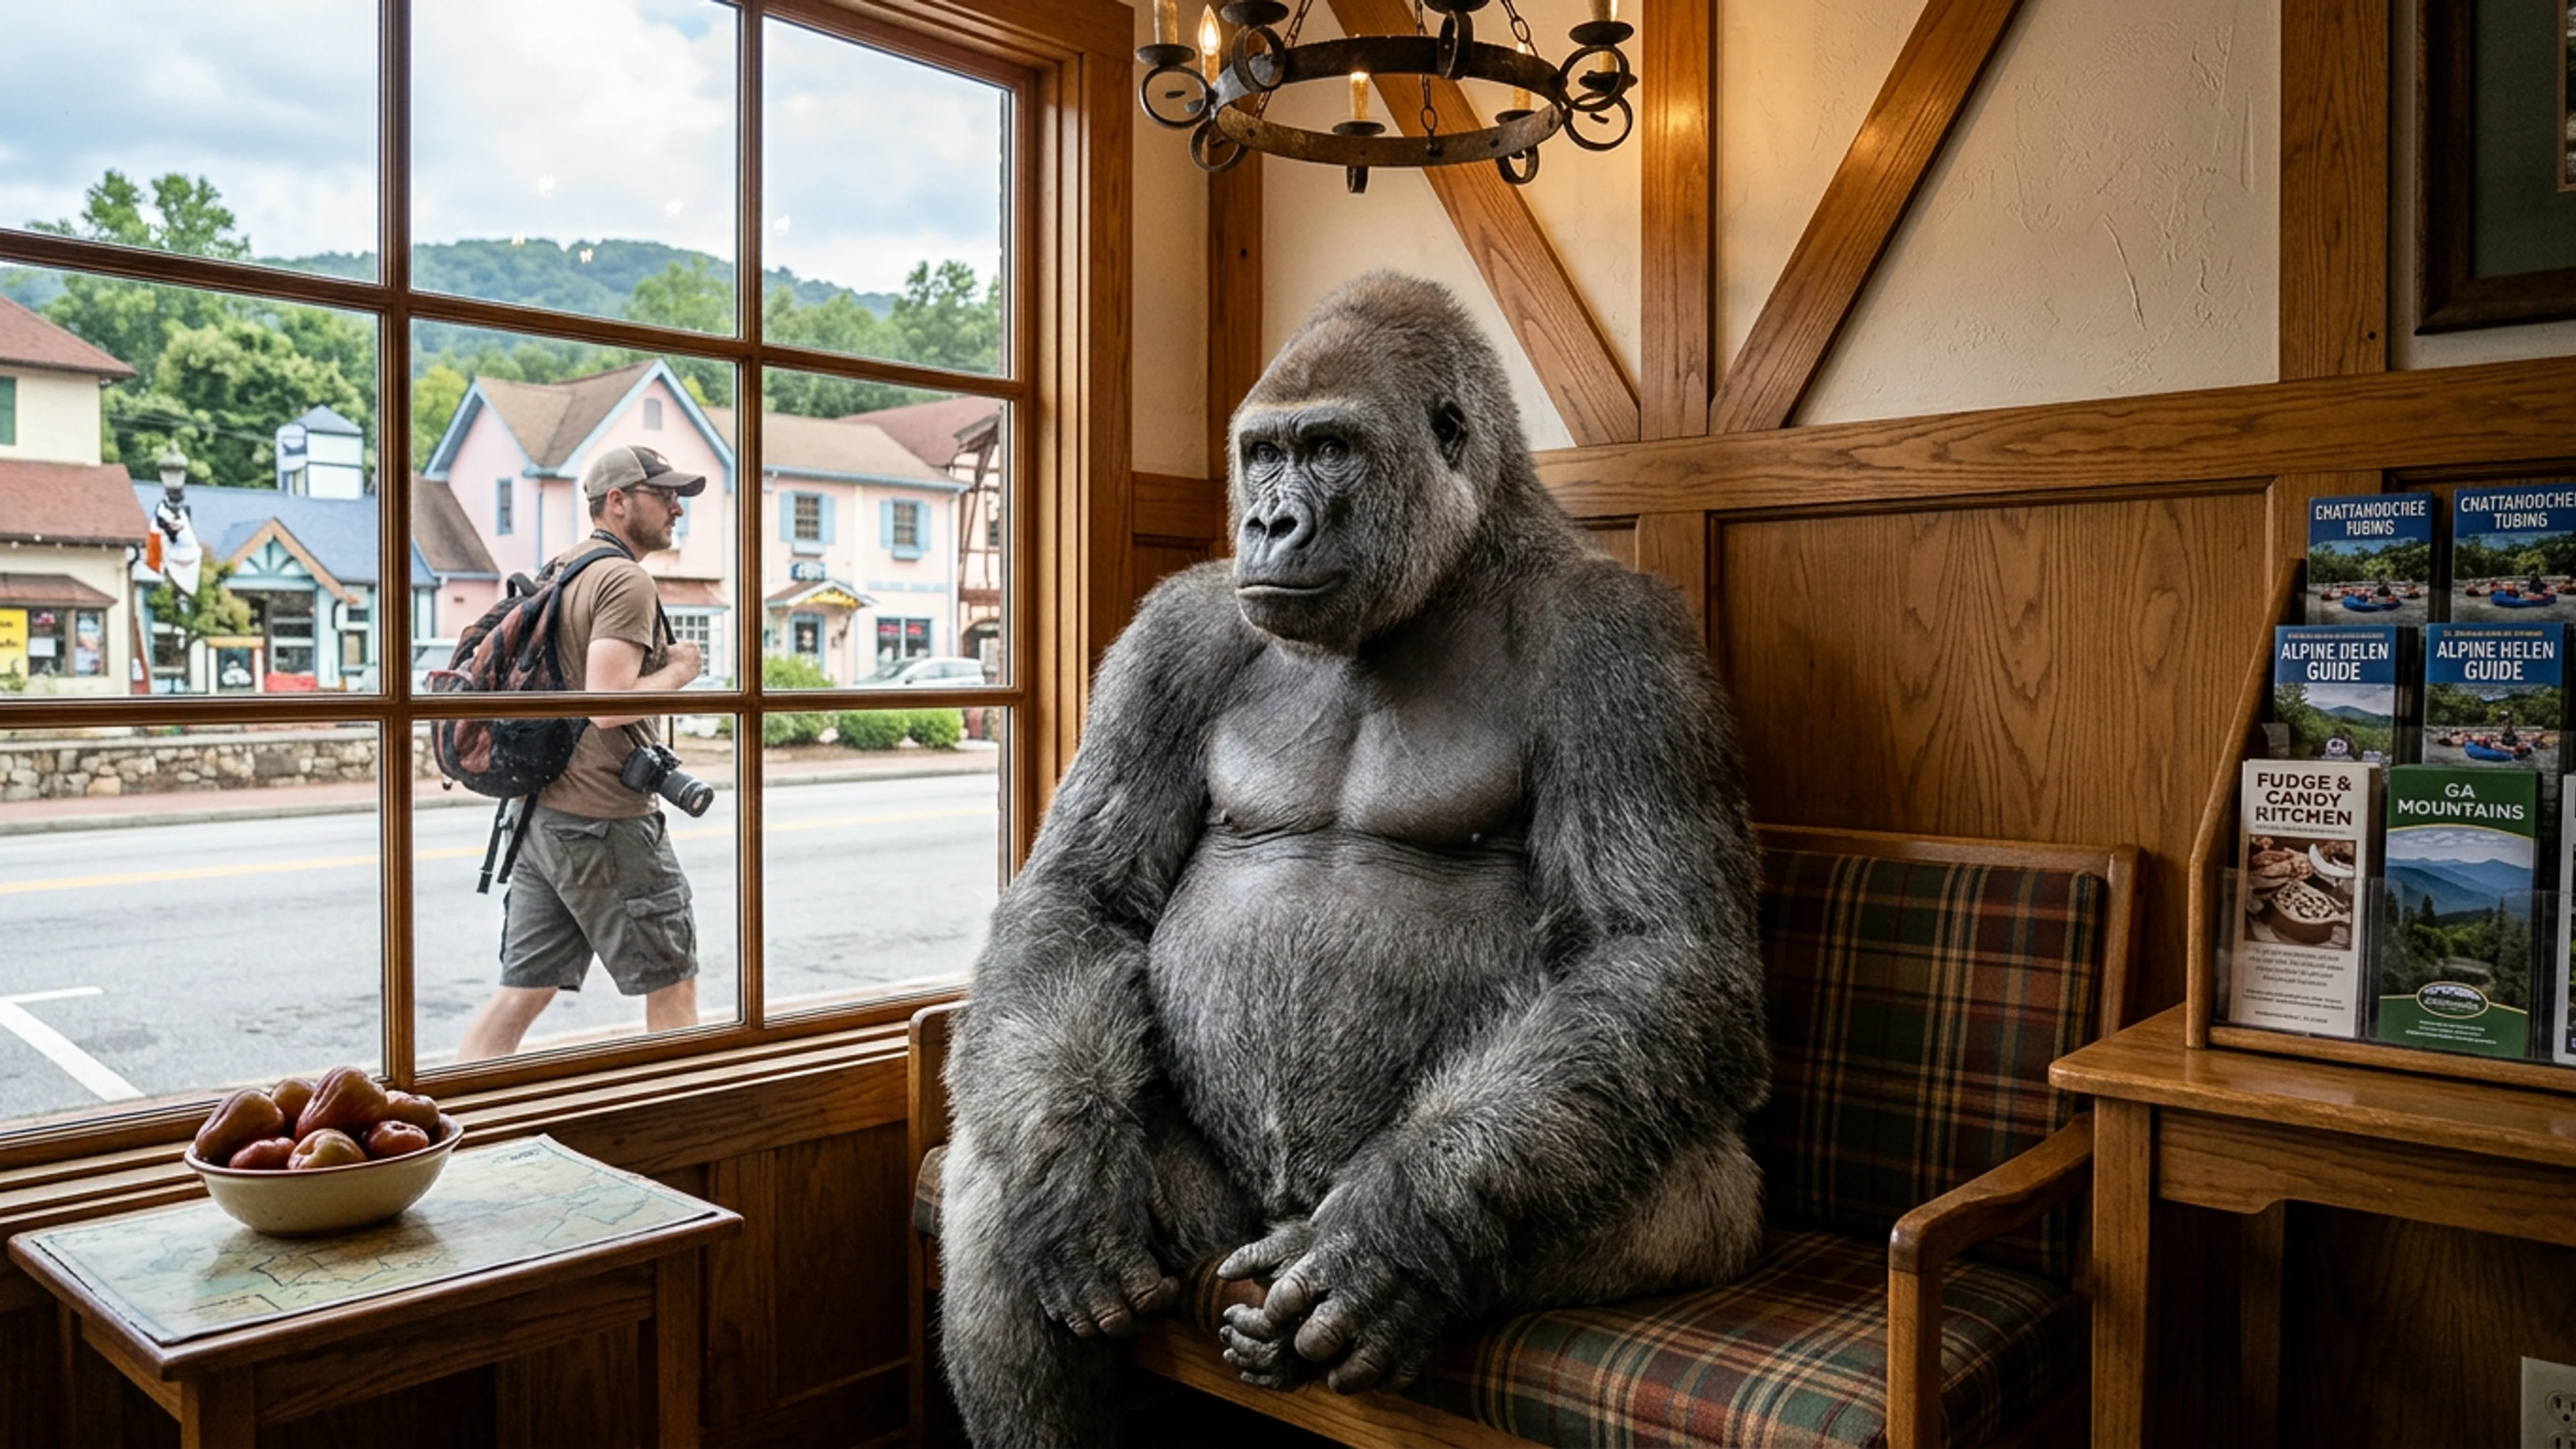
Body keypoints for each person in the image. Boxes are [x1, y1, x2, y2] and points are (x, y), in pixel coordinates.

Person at [456, 444, 708, 1061]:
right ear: (617, 502)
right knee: (674, 982)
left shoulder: (562, 568)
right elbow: (609, 703)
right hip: (607, 823)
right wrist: (682, 669)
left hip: (541, 817)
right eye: (663, 495)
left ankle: (456, 1113)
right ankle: (686, 1126)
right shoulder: (623, 579)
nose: (677, 508)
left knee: (524, 990)